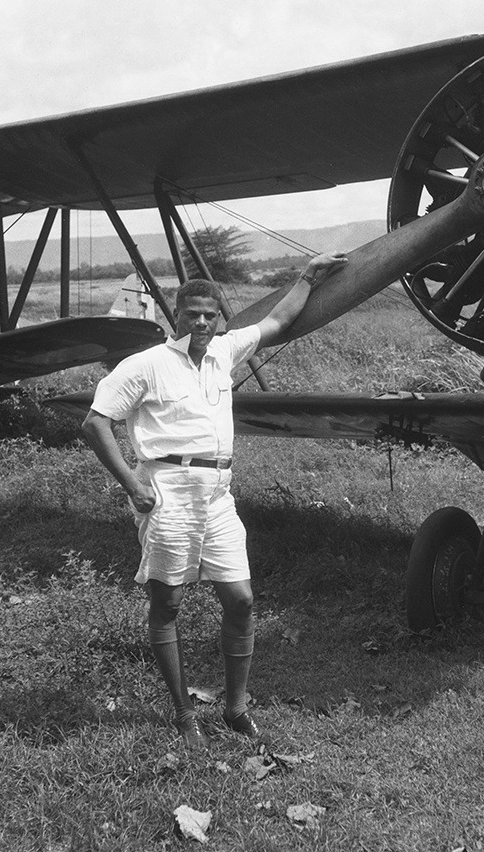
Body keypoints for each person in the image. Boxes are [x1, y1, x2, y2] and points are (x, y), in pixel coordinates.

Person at [82, 251, 347, 749]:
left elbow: (277, 321)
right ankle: (184, 714)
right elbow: (96, 422)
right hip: (169, 492)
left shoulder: (224, 351)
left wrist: (308, 277)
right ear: (175, 317)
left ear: (219, 318)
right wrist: (133, 484)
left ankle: (235, 708)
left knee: (241, 599)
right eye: (192, 315)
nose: (202, 323)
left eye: (210, 315)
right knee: (168, 602)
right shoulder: (146, 365)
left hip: (219, 494)